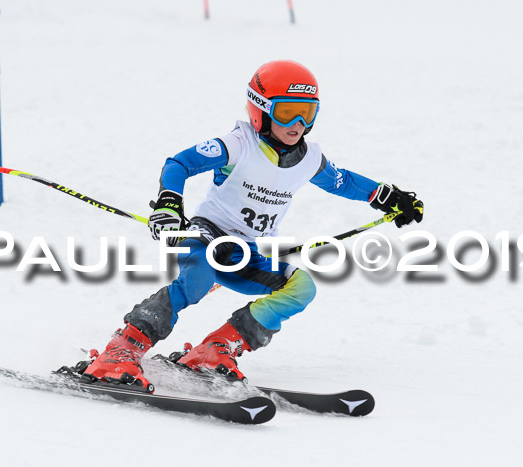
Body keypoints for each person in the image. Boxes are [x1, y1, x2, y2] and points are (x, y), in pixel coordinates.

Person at [82, 60, 424, 390]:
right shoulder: (239, 144)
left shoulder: (309, 159)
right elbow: (180, 163)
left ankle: (215, 349)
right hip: (207, 235)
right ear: (260, 109)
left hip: (244, 252)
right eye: (287, 111)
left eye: (308, 112)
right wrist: (170, 201)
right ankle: (122, 349)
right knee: (198, 279)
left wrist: (386, 196)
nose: (298, 123)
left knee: (301, 287)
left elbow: (342, 181)